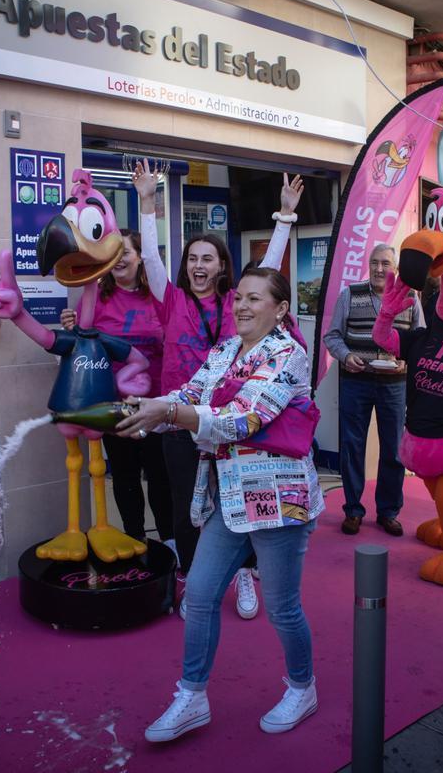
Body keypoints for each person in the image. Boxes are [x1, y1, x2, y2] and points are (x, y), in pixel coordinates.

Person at [118, 267, 324, 742]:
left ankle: (302, 687)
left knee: (282, 607)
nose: (243, 307)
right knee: (203, 594)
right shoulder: (225, 350)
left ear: (281, 310)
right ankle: (192, 696)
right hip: (228, 498)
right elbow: (187, 395)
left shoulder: (288, 353)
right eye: (239, 300)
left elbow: (242, 419)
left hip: (279, 500)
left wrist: (167, 413)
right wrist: (140, 411)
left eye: (256, 299)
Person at [135, 160, 299, 620]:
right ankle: (191, 575)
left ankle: (244, 572)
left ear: (221, 265)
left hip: (233, 423)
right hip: (179, 418)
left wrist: (284, 217)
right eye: (192, 258)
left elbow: (268, 270)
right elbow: (150, 258)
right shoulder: (171, 300)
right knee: (187, 503)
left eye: (208, 258)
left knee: (239, 500)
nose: (199, 265)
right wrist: (148, 202)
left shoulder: (238, 302)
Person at [59, 229, 172, 547]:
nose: (120, 258)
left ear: (141, 258)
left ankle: (171, 542)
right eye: (115, 252)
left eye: (126, 251)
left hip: (156, 405)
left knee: (160, 478)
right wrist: (71, 328)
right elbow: (81, 348)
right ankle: (134, 538)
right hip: (114, 405)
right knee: (125, 478)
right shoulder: (94, 297)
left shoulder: (160, 297)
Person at [322, 244, 418, 537]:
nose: (379, 269)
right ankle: (353, 510)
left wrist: (406, 361)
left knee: (393, 449)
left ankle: (388, 512)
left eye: (386, 264)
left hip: (394, 384)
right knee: (353, 446)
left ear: (395, 269)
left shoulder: (410, 298)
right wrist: (345, 356)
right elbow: (332, 335)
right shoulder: (350, 295)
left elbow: (419, 339)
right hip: (356, 380)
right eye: (375, 263)